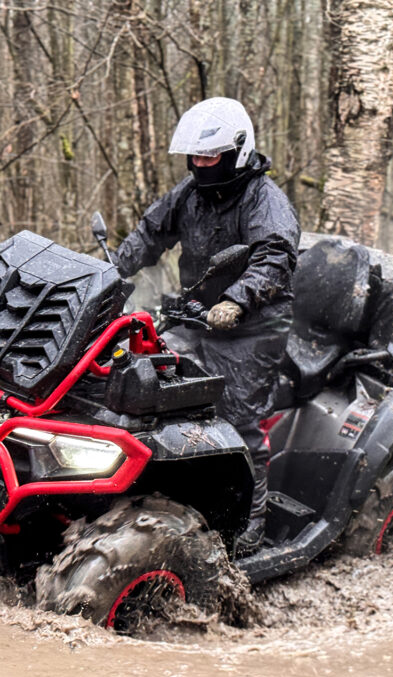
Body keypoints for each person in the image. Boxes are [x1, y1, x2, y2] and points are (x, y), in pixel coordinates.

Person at [115, 97, 300, 556]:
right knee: (141, 384)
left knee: (237, 415)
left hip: (254, 326)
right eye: (194, 157)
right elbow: (149, 235)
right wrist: (106, 272)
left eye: (208, 157)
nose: (199, 165)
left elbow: (274, 257)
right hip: (197, 317)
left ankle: (252, 521)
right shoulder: (190, 194)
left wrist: (237, 301)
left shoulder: (265, 202)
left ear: (236, 152)